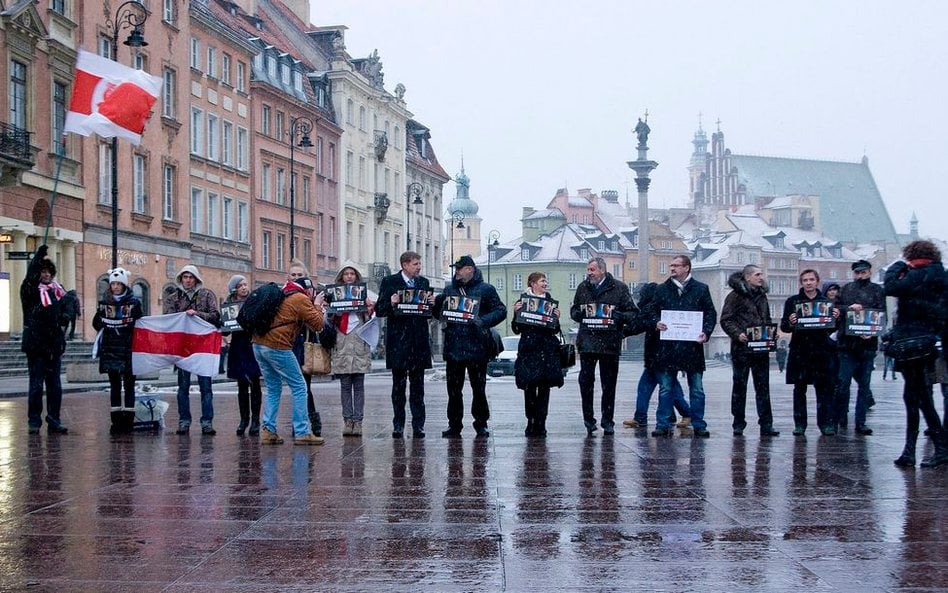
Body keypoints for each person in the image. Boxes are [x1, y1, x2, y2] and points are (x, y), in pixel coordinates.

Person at [884, 240, 947, 468]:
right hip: (928, 341)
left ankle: (938, 448)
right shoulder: (941, 274)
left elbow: (889, 287)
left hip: (912, 341)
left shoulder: (918, 274)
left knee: (918, 397)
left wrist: (896, 266)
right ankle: (910, 451)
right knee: (915, 395)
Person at [434, 255, 507, 438]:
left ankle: (481, 423)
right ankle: (454, 425)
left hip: (476, 346)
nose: (456, 272)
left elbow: (501, 310)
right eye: (456, 269)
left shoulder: (486, 289)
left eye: (460, 268)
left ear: (470, 269)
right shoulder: (450, 289)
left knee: (479, 388)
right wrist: (436, 305)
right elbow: (440, 315)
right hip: (454, 346)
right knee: (453, 390)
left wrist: (482, 321)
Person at [644, 255, 717, 438]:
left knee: (697, 389)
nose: (672, 269)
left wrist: (706, 332)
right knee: (666, 388)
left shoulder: (701, 289)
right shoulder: (662, 289)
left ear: (687, 268)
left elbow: (710, 313)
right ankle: (663, 424)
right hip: (668, 347)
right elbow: (651, 310)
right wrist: (656, 322)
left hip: (692, 347)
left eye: (676, 266)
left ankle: (699, 424)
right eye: (671, 265)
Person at [252, 275, 326, 445]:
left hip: (258, 343)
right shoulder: (300, 298)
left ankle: (268, 430)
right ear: (309, 290)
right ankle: (302, 431)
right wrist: (317, 305)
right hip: (277, 345)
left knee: (273, 387)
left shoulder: (282, 294)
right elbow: (318, 325)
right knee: (300, 386)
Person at [569, 257, 637, 436]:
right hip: (588, 342)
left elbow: (632, 313)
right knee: (585, 382)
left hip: (609, 343)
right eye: (588, 270)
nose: (589, 273)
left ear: (602, 270)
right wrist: (581, 314)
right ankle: (589, 421)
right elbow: (574, 311)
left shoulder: (619, 288)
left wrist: (615, 315)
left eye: (592, 270)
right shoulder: (583, 287)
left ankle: (608, 421)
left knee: (608, 384)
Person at [376, 251, 434, 438]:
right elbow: (379, 310)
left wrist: (432, 303)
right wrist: (391, 302)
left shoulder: (423, 283)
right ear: (405, 265)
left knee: (418, 387)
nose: (419, 267)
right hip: (398, 341)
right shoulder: (390, 282)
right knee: (398, 386)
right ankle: (398, 424)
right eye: (416, 264)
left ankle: (418, 425)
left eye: (419, 263)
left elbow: (429, 312)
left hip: (418, 341)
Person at [622, 282, 691, 430]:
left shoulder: (650, 308)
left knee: (668, 389)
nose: (638, 298)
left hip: (661, 356)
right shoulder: (663, 306)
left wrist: (620, 332)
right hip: (657, 356)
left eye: (640, 295)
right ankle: (641, 417)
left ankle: (685, 413)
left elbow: (638, 325)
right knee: (653, 388)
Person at [720, 265, 779, 437]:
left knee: (763, 387)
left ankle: (766, 424)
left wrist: (771, 334)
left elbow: (766, 319)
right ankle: (738, 423)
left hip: (761, 348)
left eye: (761, 274)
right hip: (742, 348)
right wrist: (738, 334)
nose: (761, 277)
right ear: (747, 277)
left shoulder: (762, 296)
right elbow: (726, 319)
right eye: (757, 274)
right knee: (740, 386)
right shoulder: (734, 296)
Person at [780, 269, 839, 436]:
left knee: (824, 389)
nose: (808, 283)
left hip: (821, 350)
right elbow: (784, 326)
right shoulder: (793, 301)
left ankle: (825, 423)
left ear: (817, 281)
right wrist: (791, 322)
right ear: (801, 283)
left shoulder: (826, 301)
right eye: (805, 280)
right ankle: (800, 424)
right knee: (799, 389)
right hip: (801, 349)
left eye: (811, 279)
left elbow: (832, 328)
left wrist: (836, 317)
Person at [163, 265, 221, 434]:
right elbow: (169, 319)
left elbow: (215, 316)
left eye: (191, 277)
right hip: (183, 348)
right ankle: (184, 420)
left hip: (203, 347)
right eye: (185, 277)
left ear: (196, 279)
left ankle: (207, 421)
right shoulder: (173, 297)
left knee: (206, 387)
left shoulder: (207, 294)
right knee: (183, 387)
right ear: (181, 279)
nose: (188, 280)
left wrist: (196, 314)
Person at [20, 245, 69, 434]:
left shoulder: (57, 291)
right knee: (36, 385)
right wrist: (38, 258)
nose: (46, 275)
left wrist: (65, 319)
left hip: (53, 345)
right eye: (43, 271)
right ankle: (34, 421)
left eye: (49, 271)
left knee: (55, 385)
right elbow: (29, 279)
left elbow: (66, 310)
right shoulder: (31, 291)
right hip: (35, 344)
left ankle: (54, 418)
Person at [835, 260, 886, 435]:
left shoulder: (878, 290)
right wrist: (848, 308)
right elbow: (835, 309)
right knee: (843, 383)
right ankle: (841, 416)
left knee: (864, 385)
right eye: (857, 272)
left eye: (863, 272)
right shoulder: (846, 289)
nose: (860, 275)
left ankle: (860, 421)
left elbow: (881, 313)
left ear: (870, 272)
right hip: (847, 344)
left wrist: (872, 330)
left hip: (867, 344)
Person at [512, 272, 564, 437]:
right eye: (542, 281)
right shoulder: (522, 301)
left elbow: (554, 329)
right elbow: (516, 328)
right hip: (529, 350)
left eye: (545, 281)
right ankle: (531, 420)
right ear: (533, 283)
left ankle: (541, 422)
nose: (545, 284)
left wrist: (556, 318)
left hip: (546, 351)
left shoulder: (550, 302)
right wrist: (516, 313)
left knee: (544, 388)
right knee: (529, 388)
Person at [92, 268, 143, 435]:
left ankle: (128, 420)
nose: (115, 287)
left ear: (124, 285)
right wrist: (100, 319)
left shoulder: (134, 302)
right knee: (114, 385)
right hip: (111, 349)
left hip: (128, 349)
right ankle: (115, 421)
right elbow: (97, 322)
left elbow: (140, 322)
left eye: (118, 284)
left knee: (129, 385)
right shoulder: (105, 302)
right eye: (113, 283)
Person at [326, 263, 375, 437]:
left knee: (359, 385)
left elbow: (370, 319)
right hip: (342, 339)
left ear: (356, 277)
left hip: (359, 339)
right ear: (341, 277)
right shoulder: (334, 295)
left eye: (352, 274)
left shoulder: (363, 295)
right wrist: (332, 309)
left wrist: (369, 308)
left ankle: (358, 421)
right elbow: (328, 320)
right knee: (345, 384)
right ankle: (347, 420)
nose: (349, 276)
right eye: (346, 274)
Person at [222, 275, 262, 436]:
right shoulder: (229, 305)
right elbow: (225, 331)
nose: (244, 288)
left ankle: (256, 420)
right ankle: (244, 419)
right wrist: (224, 320)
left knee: (255, 383)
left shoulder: (254, 302)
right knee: (242, 386)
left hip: (252, 345)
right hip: (238, 346)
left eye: (246, 284)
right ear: (234, 289)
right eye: (240, 286)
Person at [287, 261, 322, 436]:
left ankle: (309, 421)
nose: (296, 278)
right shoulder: (285, 294)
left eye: (300, 275)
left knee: (304, 386)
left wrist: (316, 305)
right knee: (298, 387)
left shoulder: (312, 295)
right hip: (290, 345)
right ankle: (304, 422)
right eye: (293, 275)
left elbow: (318, 323)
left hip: (306, 344)